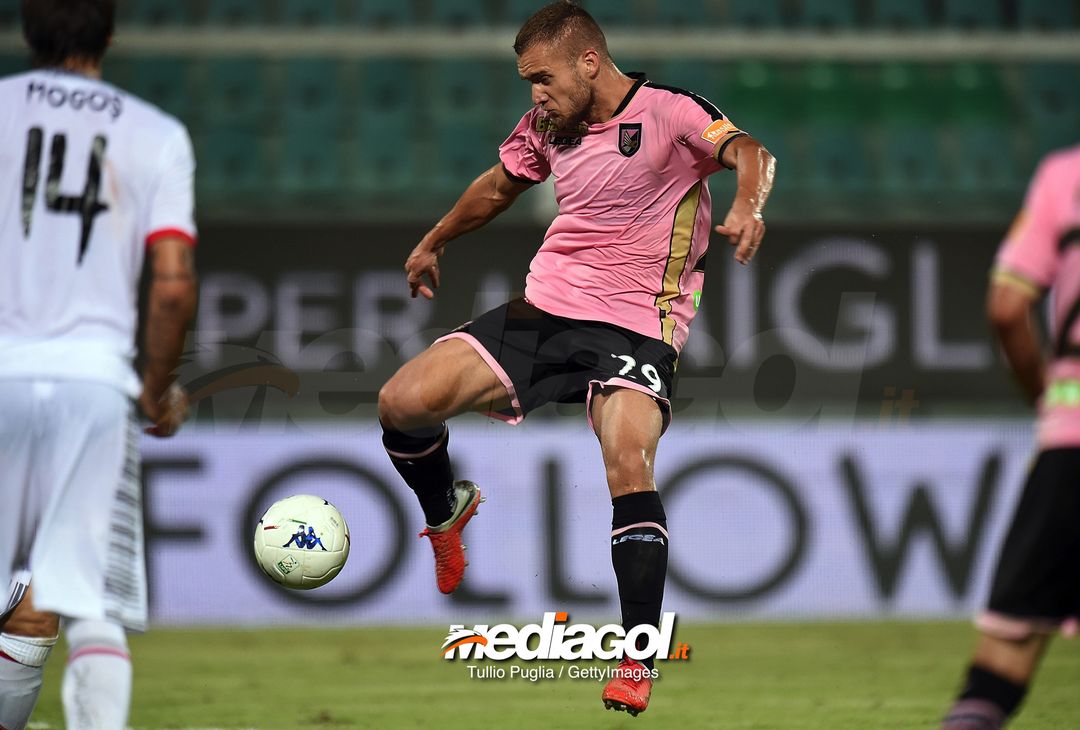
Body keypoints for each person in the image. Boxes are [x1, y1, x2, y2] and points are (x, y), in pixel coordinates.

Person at [377, 0, 774, 716]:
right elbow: (501, 185)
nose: (535, 93)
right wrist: (435, 239)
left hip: (638, 326)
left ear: (589, 61)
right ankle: (445, 511)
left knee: (627, 455)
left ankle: (638, 656)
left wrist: (747, 202)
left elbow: (751, 150)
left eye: (542, 76)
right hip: (547, 311)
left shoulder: (671, 112)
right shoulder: (548, 127)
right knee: (401, 403)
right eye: (527, 80)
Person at [0, 1, 197, 728]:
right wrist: (152, 388)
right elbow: (172, 282)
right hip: (90, 382)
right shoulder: (154, 134)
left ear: (26, 33)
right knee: (80, 606)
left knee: (23, 611)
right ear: (110, 35)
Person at [939, 143, 1080, 730]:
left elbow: (1006, 307)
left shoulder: (1065, 174)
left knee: (1006, 655)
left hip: (1072, 441)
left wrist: (1046, 397)